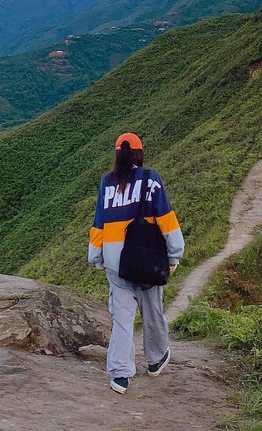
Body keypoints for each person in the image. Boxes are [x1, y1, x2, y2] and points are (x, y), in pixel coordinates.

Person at [88, 132, 185, 395]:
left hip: (116, 262)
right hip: (146, 259)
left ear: (117, 155)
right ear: (139, 154)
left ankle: (120, 376)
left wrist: (96, 257)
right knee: (152, 309)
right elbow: (166, 218)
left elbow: (99, 223)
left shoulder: (106, 183)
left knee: (122, 319)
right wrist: (174, 254)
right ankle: (155, 360)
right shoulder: (151, 179)